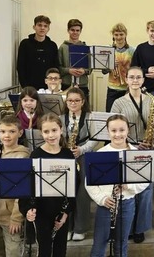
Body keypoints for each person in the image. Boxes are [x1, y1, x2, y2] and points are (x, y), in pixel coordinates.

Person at [86, 114, 149, 257]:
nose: (118, 134)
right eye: (113, 131)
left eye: (122, 130)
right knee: (99, 244)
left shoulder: (135, 154)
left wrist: (129, 187)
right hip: (106, 204)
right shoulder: (100, 153)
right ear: (108, 132)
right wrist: (102, 199)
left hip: (127, 204)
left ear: (128, 131)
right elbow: (89, 183)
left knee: (121, 244)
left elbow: (144, 181)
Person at [110, 67, 154, 243]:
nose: (135, 80)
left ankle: (140, 228)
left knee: (146, 191)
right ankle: (128, 227)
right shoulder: (118, 102)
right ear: (127, 79)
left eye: (139, 77)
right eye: (132, 77)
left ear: (143, 80)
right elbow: (114, 128)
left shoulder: (150, 100)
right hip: (128, 147)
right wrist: (132, 143)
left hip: (148, 148)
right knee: (129, 190)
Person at [19, 113, 76, 257]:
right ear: (41, 133)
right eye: (46, 131)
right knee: (43, 250)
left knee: (60, 250)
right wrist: (28, 209)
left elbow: (74, 186)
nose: (51, 135)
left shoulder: (68, 154)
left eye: (54, 130)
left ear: (61, 130)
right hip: (41, 212)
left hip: (60, 211)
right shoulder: (36, 155)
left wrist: (65, 213)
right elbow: (29, 187)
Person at [0, 115, 29, 257]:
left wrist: (16, 218)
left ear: (20, 133)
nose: (6, 136)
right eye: (2, 131)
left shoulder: (23, 156)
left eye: (11, 131)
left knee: (13, 252)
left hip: (10, 217)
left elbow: (23, 191)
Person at [61, 87, 98, 241]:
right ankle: (66, 226)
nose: (73, 103)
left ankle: (80, 228)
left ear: (83, 102)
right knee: (66, 190)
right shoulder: (61, 117)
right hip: (65, 155)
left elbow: (95, 138)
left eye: (77, 100)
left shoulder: (90, 117)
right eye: (70, 100)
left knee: (82, 190)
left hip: (85, 155)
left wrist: (81, 150)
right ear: (66, 102)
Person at [17, 15, 59, 90]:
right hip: (29, 87)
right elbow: (20, 67)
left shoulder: (52, 45)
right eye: (40, 25)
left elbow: (55, 67)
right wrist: (25, 86)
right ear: (34, 27)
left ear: (48, 29)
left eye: (45, 26)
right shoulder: (25, 44)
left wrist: (52, 85)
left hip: (47, 87)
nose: (42, 28)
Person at [104, 23, 135, 112]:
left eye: (121, 34)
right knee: (110, 114)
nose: (119, 37)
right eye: (116, 35)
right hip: (112, 88)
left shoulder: (132, 51)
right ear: (113, 36)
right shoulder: (108, 50)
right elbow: (104, 71)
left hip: (127, 89)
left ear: (125, 35)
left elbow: (135, 69)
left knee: (126, 115)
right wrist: (110, 64)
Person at [58, 19, 91, 99]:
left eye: (77, 30)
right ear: (68, 31)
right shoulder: (63, 47)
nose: (75, 32)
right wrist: (69, 70)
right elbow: (58, 67)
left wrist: (84, 71)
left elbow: (90, 68)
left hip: (82, 84)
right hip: (67, 83)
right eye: (72, 30)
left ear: (80, 31)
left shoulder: (85, 47)